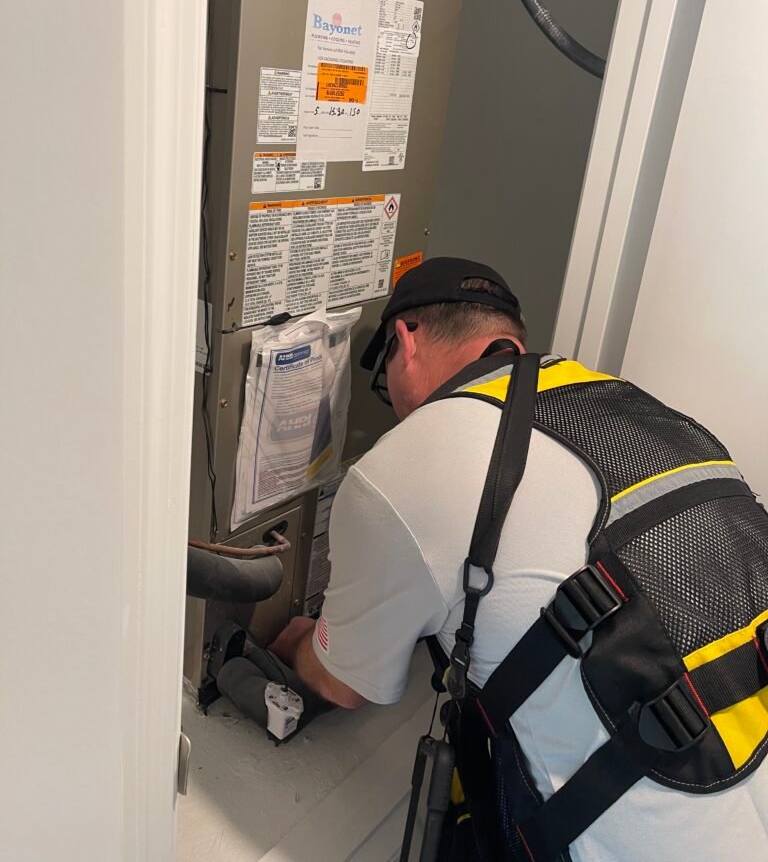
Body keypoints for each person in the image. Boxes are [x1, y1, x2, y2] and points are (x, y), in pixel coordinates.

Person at [269, 256, 768, 861]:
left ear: (406, 338)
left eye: (384, 381)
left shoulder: (408, 462)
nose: (394, 403)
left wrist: (296, 641)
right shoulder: (630, 407)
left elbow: (343, 684)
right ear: (509, 338)